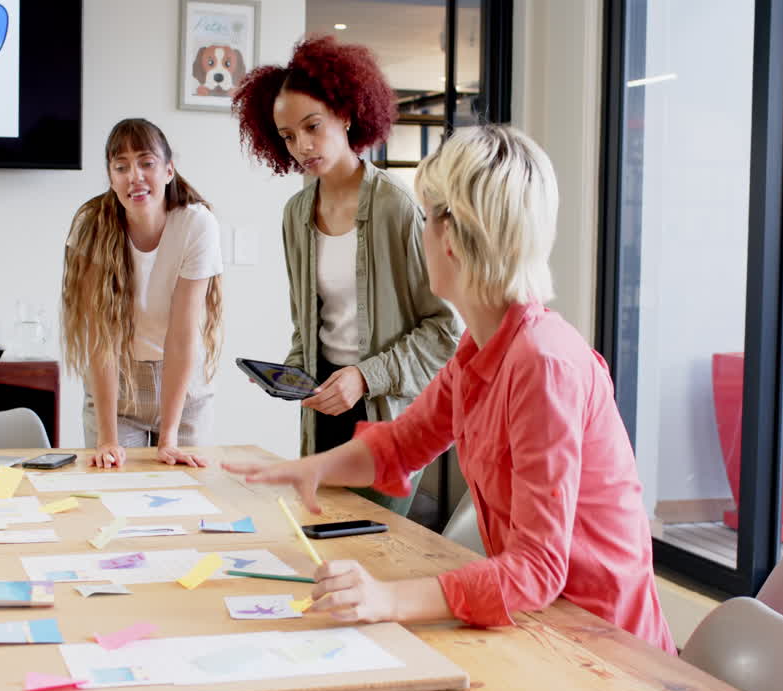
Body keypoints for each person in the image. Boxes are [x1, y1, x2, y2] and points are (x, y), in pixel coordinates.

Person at [224, 125, 676, 654]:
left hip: (605, 649)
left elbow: (536, 568)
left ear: (454, 238)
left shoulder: (543, 364)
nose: (421, 234)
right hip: (541, 626)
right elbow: (402, 443)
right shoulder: (479, 349)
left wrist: (389, 600)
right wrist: (314, 468)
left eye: (426, 217)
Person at [231, 36, 461, 515]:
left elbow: (444, 329)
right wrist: (289, 376)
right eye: (288, 135)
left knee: (372, 547)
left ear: (346, 114)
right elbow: (308, 325)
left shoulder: (395, 208)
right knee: (324, 540)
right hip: (322, 410)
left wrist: (364, 376)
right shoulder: (295, 214)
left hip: (384, 412)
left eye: (312, 126)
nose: (302, 146)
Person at [62, 118, 223, 469]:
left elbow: (181, 336)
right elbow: (101, 337)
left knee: (186, 491)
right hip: (116, 387)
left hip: (182, 385)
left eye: (146, 163)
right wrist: (107, 438)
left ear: (168, 170)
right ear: (111, 177)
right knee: (114, 488)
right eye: (121, 167)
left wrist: (169, 438)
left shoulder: (196, 225)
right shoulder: (91, 226)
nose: (134, 176)